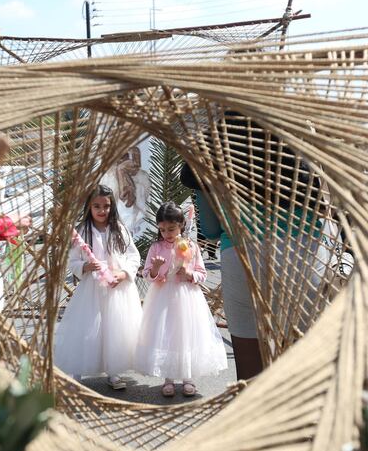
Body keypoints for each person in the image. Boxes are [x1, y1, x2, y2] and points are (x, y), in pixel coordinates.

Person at [180, 111, 331, 381]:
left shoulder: (211, 139)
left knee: (250, 380)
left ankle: (255, 422)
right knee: (302, 376)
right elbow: (328, 203)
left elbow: (211, 229)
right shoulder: (300, 126)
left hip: (243, 254)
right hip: (305, 252)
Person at [135, 202, 228, 397]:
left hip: (187, 297)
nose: (167, 233)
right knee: (167, 335)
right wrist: (155, 269)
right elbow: (146, 274)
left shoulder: (191, 246)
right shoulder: (156, 247)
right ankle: (168, 377)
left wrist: (190, 273)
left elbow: (201, 273)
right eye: (162, 229)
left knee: (186, 335)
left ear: (181, 225)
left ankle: (187, 377)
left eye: (171, 229)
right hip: (163, 297)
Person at [55, 185, 142, 390]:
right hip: (92, 290)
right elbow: (72, 260)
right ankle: (77, 372)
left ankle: (114, 371)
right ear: (89, 207)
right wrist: (85, 266)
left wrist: (123, 273)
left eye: (106, 206)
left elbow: (133, 255)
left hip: (117, 289)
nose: (102, 211)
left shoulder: (119, 229)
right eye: (97, 206)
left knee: (115, 329)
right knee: (87, 329)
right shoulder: (82, 231)